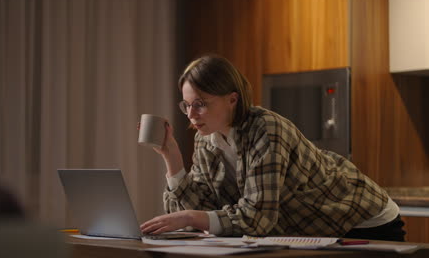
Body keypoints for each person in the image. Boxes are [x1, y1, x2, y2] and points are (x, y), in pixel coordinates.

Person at [140, 55, 406, 241]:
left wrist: (192, 217)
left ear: (232, 99)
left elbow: (257, 219)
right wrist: (172, 157)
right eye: (186, 105)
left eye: (200, 103)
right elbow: (204, 208)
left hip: (362, 221)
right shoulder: (205, 140)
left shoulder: (265, 129)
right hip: (312, 230)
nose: (191, 114)